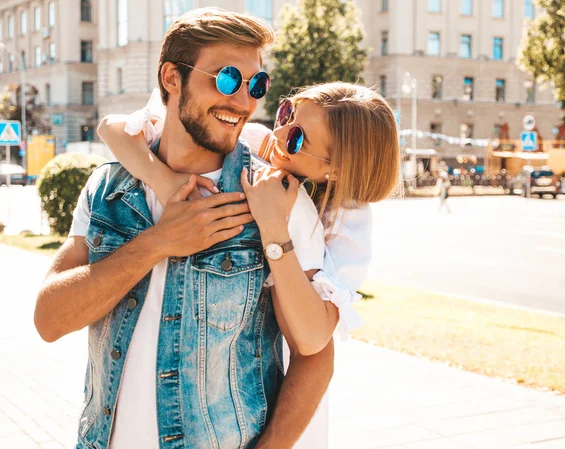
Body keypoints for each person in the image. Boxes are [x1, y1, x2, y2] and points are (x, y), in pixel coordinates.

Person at [34, 8, 335, 449]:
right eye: (227, 78)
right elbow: (49, 319)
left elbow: (316, 357)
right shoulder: (108, 186)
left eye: (256, 85)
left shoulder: (277, 201)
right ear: (172, 78)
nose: (244, 101)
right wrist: (158, 242)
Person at [98, 80, 400, 447]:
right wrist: (165, 183)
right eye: (288, 112)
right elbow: (113, 129)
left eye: (298, 138)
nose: (281, 132)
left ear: (334, 171)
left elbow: (312, 339)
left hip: (288, 405)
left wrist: (274, 228)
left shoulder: (346, 220)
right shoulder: (254, 141)